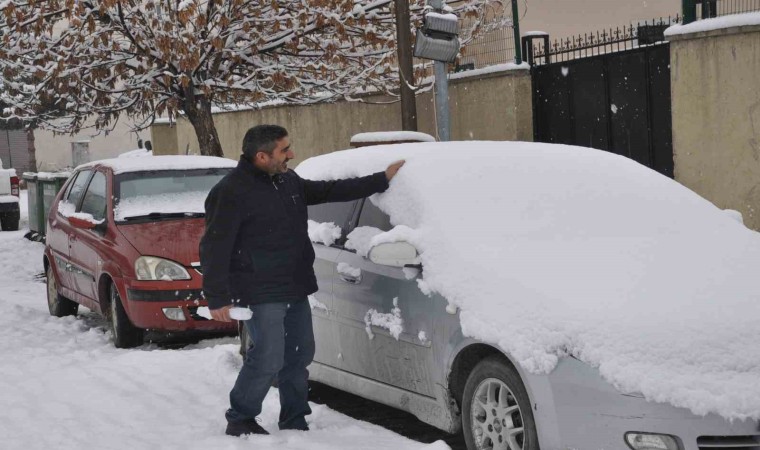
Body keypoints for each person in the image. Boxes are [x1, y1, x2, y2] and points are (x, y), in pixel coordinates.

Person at [200, 124, 405, 436]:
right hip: (259, 290)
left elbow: (329, 190)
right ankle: (240, 417)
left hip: (295, 284)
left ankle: (294, 418)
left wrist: (380, 180)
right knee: (268, 357)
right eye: (284, 150)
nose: (291, 154)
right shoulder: (230, 192)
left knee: (299, 354)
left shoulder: (287, 180)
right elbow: (214, 247)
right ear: (262, 156)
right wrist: (217, 297)